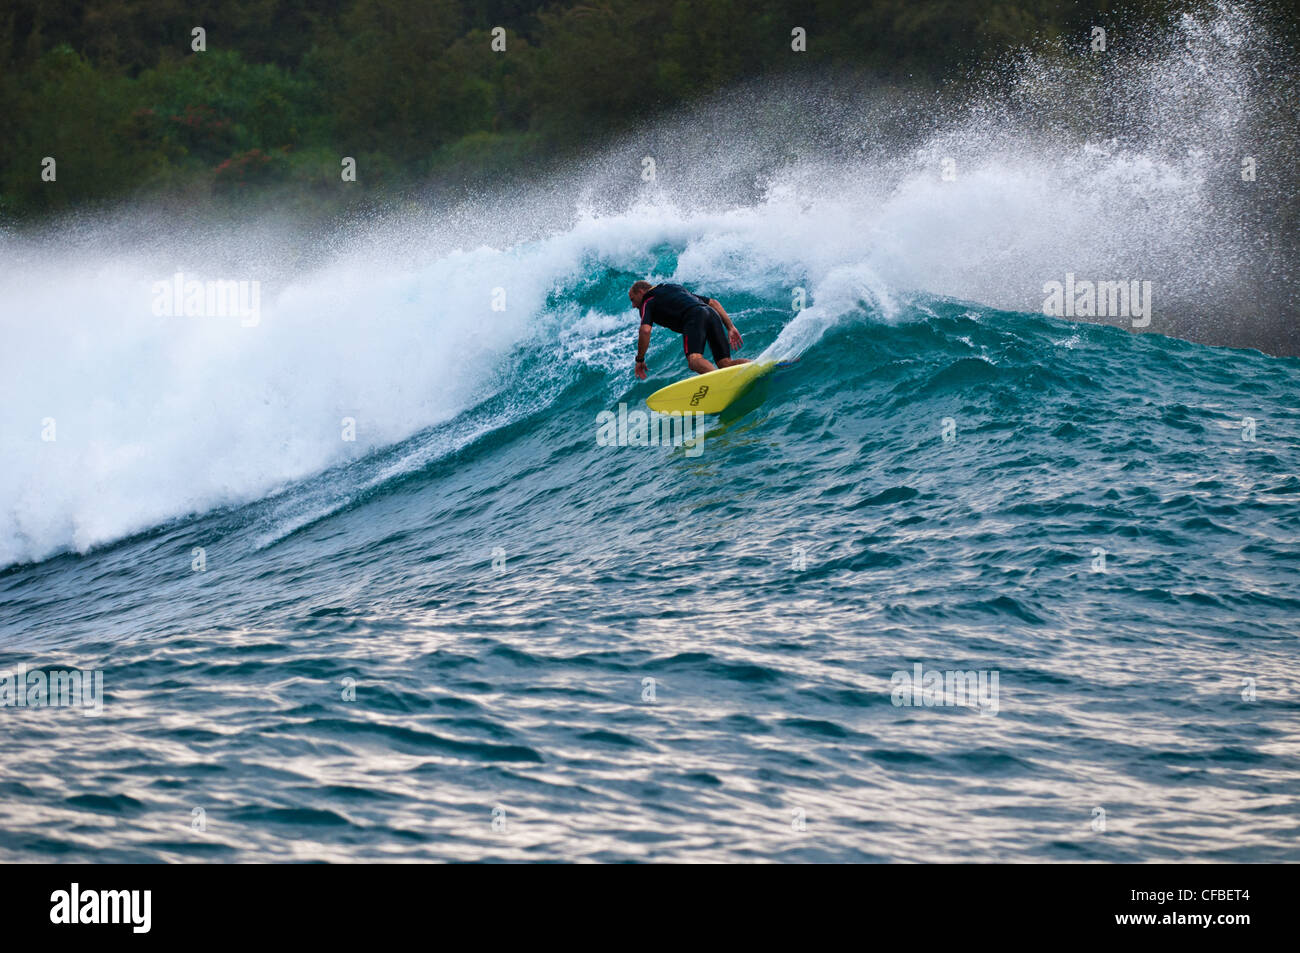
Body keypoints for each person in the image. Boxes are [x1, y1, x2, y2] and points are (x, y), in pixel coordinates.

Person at [629, 280, 749, 379]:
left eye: (633, 299)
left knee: (694, 360)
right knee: (725, 363)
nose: (633, 305)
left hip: (693, 317)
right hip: (710, 313)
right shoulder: (674, 287)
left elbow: (645, 330)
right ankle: (755, 366)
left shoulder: (647, 301)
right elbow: (713, 303)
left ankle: (721, 383)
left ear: (641, 292)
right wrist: (730, 327)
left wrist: (640, 359)